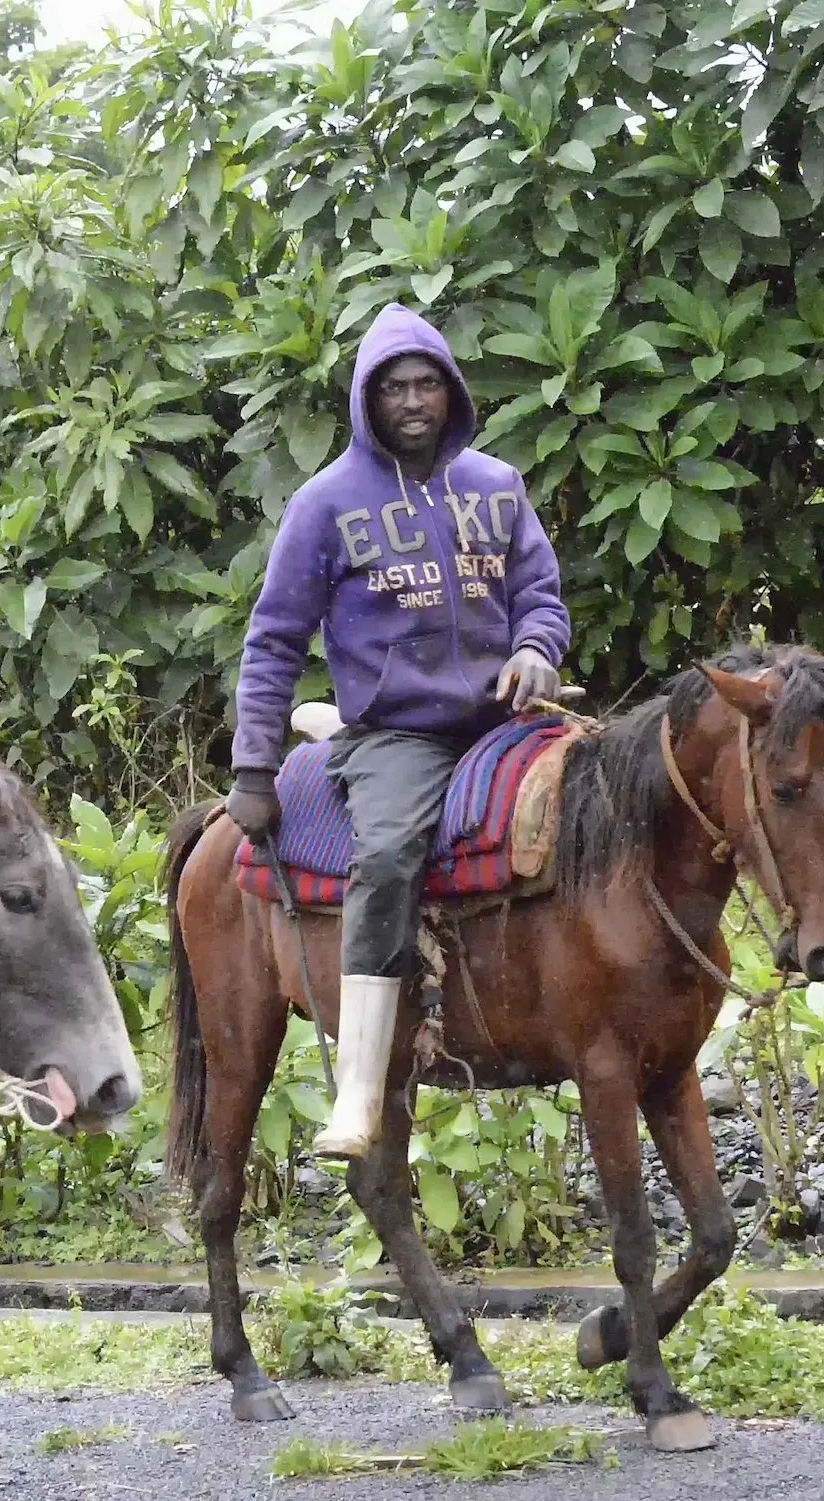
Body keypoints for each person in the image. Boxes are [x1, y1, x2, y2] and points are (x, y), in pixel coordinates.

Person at [225, 303, 571, 1160]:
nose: (413, 401)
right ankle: (359, 1092)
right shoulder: (325, 504)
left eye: (426, 384)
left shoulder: (496, 485)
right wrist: (252, 767)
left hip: (508, 717)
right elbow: (272, 640)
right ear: (366, 401)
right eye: (394, 388)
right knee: (385, 858)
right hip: (399, 734)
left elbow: (539, 594)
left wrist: (535, 650)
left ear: (450, 392)